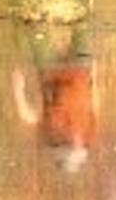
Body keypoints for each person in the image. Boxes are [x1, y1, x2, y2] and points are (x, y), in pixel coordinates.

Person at [10, 24, 98, 173]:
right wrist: (95, 78)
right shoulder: (87, 135)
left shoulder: (50, 136)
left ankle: (39, 14)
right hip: (80, 70)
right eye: (77, 147)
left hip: (50, 71)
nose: (75, 142)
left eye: (71, 147)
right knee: (83, 26)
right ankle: (75, 10)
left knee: (36, 27)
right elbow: (94, 105)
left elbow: (28, 116)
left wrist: (18, 89)